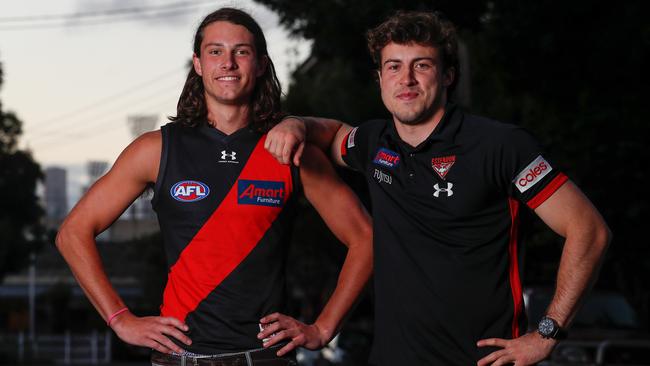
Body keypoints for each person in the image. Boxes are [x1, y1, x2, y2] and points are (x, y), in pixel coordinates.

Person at [263, 10, 611, 366]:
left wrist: (547, 334)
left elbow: (589, 230)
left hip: (480, 360)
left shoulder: (500, 146)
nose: (406, 79)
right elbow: (334, 133)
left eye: (422, 65)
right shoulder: (374, 143)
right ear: (380, 78)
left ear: (447, 76)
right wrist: (296, 124)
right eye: (394, 67)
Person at [55, 8, 372, 366]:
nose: (229, 63)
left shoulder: (289, 148)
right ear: (199, 64)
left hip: (266, 357)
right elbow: (72, 233)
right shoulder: (155, 150)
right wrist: (120, 319)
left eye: (242, 51)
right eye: (216, 51)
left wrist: (323, 328)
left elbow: (366, 237)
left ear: (262, 64)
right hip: (179, 357)